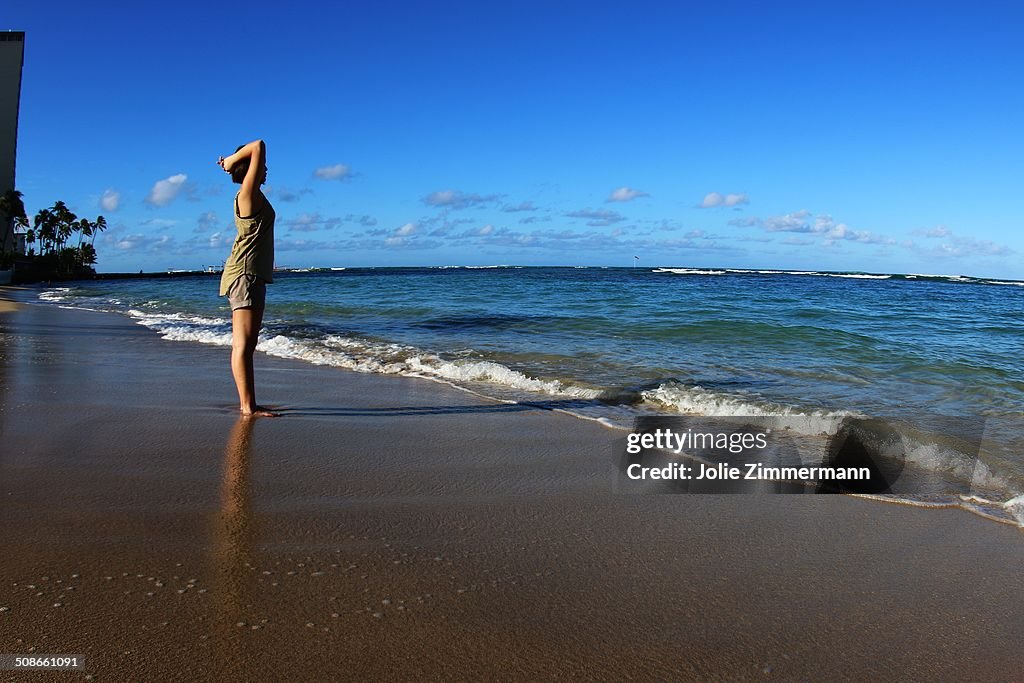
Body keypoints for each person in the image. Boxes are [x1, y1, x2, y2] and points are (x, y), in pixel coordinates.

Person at [216, 140, 276, 417]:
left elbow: (257, 150)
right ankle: (247, 406)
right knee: (243, 344)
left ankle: (248, 404)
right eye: (261, 166)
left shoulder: (249, 194)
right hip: (245, 273)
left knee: (246, 344)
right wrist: (231, 160)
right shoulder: (247, 193)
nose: (266, 169)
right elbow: (259, 144)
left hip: (248, 274)